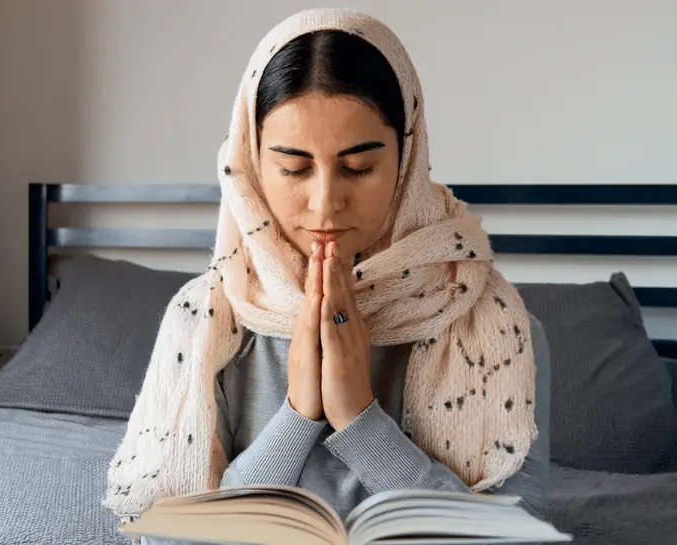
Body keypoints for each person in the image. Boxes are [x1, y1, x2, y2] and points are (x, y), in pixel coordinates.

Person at [104, 8, 551, 543]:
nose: (324, 203)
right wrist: (297, 415)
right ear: (251, 164)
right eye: (293, 168)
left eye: (358, 167)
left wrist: (360, 419)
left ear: (407, 161)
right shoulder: (204, 320)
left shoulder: (497, 330)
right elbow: (162, 537)